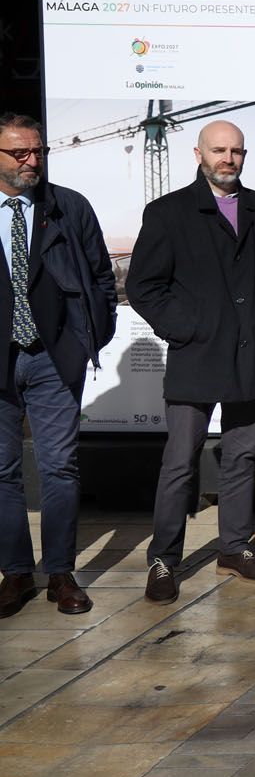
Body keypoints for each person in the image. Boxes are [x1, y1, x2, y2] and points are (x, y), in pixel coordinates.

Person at [131, 122, 255, 602]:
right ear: (197, 152)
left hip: (253, 352)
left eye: (237, 151)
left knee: (243, 454)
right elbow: (144, 286)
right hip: (197, 353)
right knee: (180, 461)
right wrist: (189, 327)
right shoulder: (168, 212)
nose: (229, 159)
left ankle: (235, 548)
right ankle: (163, 559)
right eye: (219, 150)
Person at [0, 115, 115, 619]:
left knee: (59, 468)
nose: (31, 162)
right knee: (2, 472)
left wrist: (87, 339)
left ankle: (60, 573)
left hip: (53, 357)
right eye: (19, 154)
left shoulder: (68, 207)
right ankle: (16, 572)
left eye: (37, 151)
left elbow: (101, 279)